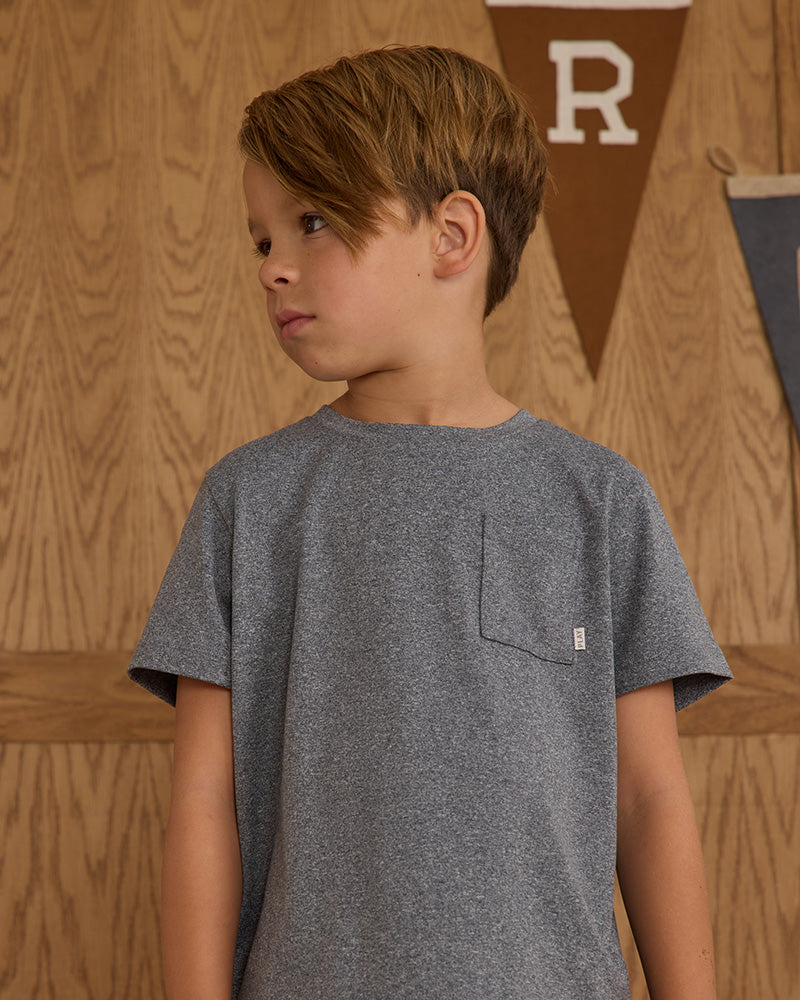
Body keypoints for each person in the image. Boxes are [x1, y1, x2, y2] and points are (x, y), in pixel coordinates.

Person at [129, 45, 731, 1000]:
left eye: (312, 222)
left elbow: (650, 802)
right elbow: (203, 803)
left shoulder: (599, 500)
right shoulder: (248, 502)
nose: (274, 268)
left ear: (453, 236)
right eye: (261, 240)